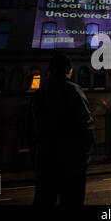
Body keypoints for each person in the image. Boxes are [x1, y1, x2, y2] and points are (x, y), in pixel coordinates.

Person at [31, 53, 94, 205]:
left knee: (44, 200)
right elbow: (86, 125)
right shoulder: (73, 89)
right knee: (72, 200)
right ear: (69, 70)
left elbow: (32, 128)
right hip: (71, 160)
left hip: (46, 160)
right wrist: (84, 156)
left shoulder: (39, 93)